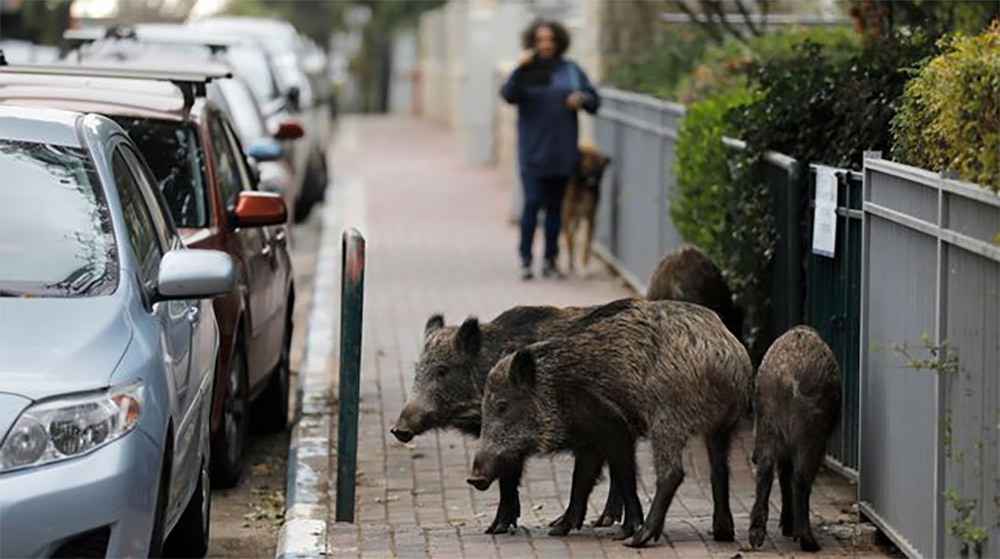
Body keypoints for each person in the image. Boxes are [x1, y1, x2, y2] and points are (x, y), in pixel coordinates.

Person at [500, 19, 600, 280]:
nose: (545, 45)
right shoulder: (526, 71)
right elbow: (508, 95)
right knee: (532, 202)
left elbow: (594, 100)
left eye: (550, 40)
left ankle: (550, 259)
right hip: (532, 150)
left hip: (562, 150)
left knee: (555, 208)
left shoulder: (571, 70)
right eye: (540, 40)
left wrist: (581, 99)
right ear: (532, 42)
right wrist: (518, 69)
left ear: (559, 42)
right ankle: (525, 257)